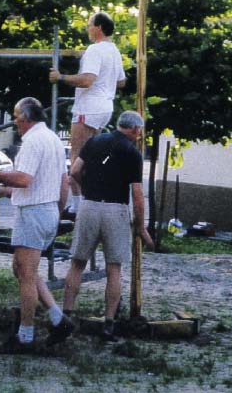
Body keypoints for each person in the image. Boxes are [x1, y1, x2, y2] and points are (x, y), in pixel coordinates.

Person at [0, 97, 72, 353]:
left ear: (26, 118)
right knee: (20, 269)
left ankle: (25, 336)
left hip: (34, 212)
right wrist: (6, 191)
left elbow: (24, 179)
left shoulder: (32, 141)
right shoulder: (51, 138)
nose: (14, 122)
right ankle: (58, 318)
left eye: (16, 116)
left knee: (26, 275)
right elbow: (61, 181)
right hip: (45, 209)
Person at [59, 110, 153, 342]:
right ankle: (108, 326)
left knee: (77, 264)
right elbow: (138, 194)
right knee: (114, 268)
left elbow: (74, 171)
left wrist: (87, 188)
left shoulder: (95, 140)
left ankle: (65, 317)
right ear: (134, 129)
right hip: (115, 208)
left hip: (89, 205)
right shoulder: (132, 152)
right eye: (139, 131)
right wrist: (140, 226)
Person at [49, 12, 126, 218]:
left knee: (77, 159)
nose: (87, 28)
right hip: (104, 107)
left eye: (89, 24)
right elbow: (121, 82)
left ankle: (79, 205)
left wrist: (61, 77)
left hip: (88, 107)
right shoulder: (114, 51)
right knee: (91, 158)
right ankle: (87, 200)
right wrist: (105, 82)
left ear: (98, 27)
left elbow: (87, 80)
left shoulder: (94, 50)